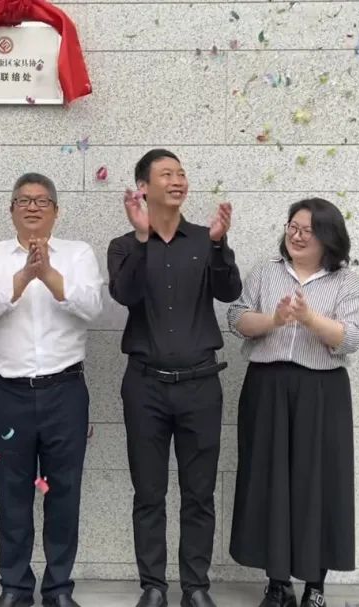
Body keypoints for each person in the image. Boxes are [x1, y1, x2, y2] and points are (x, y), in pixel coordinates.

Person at [107, 149, 242, 607]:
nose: (177, 180)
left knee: (198, 493)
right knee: (149, 492)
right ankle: (153, 586)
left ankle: (195, 587)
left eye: (181, 173)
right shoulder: (124, 245)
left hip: (201, 384)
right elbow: (125, 294)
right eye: (166, 174)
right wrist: (143, 238)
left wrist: (219, 245)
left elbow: (229, 291)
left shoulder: (205, 238)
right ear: (144, 187)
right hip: (144, 385)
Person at [0, 174, 104, 607]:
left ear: (56, 210)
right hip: (8, 393)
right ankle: (14, 587)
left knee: (64, 493)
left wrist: (47, 273)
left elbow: (92, 307)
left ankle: (59, 588)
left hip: (65, 390)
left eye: (42, 200)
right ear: (11, 209)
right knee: (11, 495)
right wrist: (25, 275)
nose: (32, 207)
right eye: (23, 200)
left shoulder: (78, 253)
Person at [226, 198, 359, 607]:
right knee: (269, 480)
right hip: (267, 387)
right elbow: (236, 319)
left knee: (317, 484)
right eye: (293, 226)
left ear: (329, 238)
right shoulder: (266, 272)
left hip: (322, 391)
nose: (297, 236)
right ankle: (277, 583)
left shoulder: (346, 283)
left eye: (308, 230)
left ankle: (315, 587)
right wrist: (273, 320)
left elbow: (352, 338)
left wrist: (309, 318)